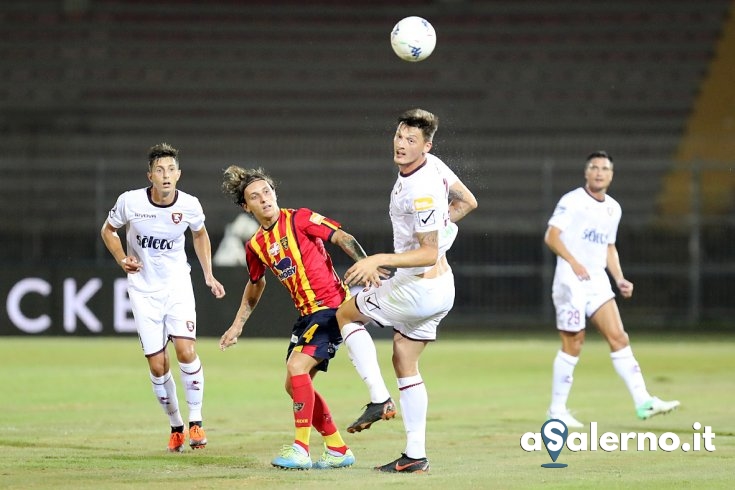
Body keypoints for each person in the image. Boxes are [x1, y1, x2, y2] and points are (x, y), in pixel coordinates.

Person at [335, 108, 478, 474]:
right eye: (399, 136)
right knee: (404, 359)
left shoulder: (422, 190)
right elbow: (466, 202)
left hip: (419, 288)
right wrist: (441, 227)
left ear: (426, 145)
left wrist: (378, 260)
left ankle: (379, 399)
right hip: (440, 289)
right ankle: (415, 456)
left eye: (411, 140)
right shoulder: (434, 165)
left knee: (346, 315)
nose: (401, 144)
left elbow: (428, 252)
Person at [218, 165, 380, 470]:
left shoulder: (300, 218)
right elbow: (256, 284)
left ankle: (300, 449)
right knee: (294, 384)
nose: (264, 199)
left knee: (296, 367)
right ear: (246, 206)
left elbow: (341, 236)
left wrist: (366, 263)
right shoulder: (255, 245)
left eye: (267, 191)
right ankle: (337, 448)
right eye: (256, 196)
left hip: (332, 308)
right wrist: (237, 324)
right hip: (307, 316)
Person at [100, 142, 226, 452]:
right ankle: (176, 426)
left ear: (179, 174)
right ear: (150, 176)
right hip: (143, 291)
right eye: (160, 170)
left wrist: (208, 274)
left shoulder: (190, 205)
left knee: (185, 350)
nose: (166, 175)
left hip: (177, 286)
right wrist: (121, 258)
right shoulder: (130, 202)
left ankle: (196, 422)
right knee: (158, 366)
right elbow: (108, 230)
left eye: (171, 170)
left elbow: (200, 234)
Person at [544, 150, 680, 428]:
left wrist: (619, 278)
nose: (598, 172)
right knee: (574, 343)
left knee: (619, 337)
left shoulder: (613, 208)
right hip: (570, 281)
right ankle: (556, 410)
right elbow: (552, 236)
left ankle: (643, 401)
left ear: (611, 175)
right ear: (586, 172)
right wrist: (574, 262)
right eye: (594, 167)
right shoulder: (572, 201)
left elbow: (608, 247)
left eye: (604, 168)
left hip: (597, 281)